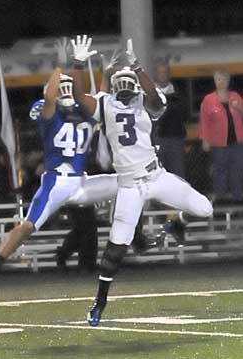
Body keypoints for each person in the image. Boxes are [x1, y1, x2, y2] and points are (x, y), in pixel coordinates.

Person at [70, 34, 213, 326]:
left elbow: (154, 96)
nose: (123, 85)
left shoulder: (145, 103)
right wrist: (77, 64)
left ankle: (176, 224)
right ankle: (99, 302)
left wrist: (136, 66)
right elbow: (78, 97)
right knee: (116, 247)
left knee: (205, 208)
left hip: (155, 175)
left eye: (128, 81)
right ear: (112, 85)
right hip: (128, 186)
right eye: (119, 80)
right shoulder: (106, 105)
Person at [0, 67, 118, 288]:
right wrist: (60, 68)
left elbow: (100, 97)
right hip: (56, 183)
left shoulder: (86, 111)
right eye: (63, 89)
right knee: (28, 226)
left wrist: (103, 74)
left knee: (133, 181)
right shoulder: (50, 115)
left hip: (82, 182)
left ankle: (137, 237)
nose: (68, 93)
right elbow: (49, 99)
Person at [199, 69, 243, 203]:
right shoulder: (208, 99)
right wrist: (205, 139)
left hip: (237, 142)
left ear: (229, 81)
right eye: (219, 79)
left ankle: (237, 197)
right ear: (215, 81)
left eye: (224, 79)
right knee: (220, 170)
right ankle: (220, 198)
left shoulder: (236, 96)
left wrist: (239, 108)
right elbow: (204, 121)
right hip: (218, 144)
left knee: (237, 169)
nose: (222, 82)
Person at [152, 58, 186, 178]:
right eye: (160, 72)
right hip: (157, 140)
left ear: (169, 74)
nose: (163, 75)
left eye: (165, 72)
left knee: (178, 175)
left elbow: (184, 114)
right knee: (158, 176)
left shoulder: (180, 92)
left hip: (176, 139)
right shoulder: (150, 94)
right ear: (155, 74)